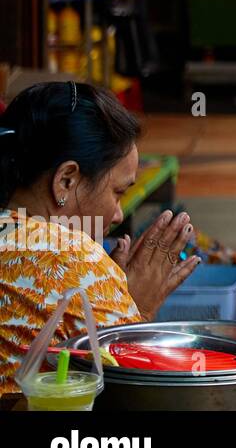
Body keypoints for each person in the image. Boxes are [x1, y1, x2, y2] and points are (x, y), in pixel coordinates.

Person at [0, 82, 199, 395]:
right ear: (66, 180)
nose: (118, 215)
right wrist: (139, 312)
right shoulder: (72, 256)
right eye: (118, 192)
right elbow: (135, 391)